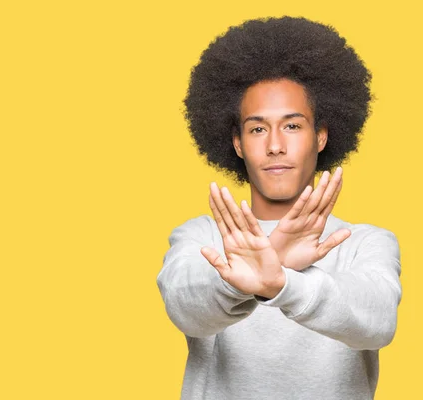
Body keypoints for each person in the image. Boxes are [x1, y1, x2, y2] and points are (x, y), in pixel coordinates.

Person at [156, 16, 402, 400]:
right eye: (257, 129)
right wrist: (240, 279)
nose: (274, 146)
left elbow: (378, 323)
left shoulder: (363, 242)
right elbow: (185, 310)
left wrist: (282, 283)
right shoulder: (201, 236)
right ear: (237, 143)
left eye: (292, 126)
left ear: (320, 136)